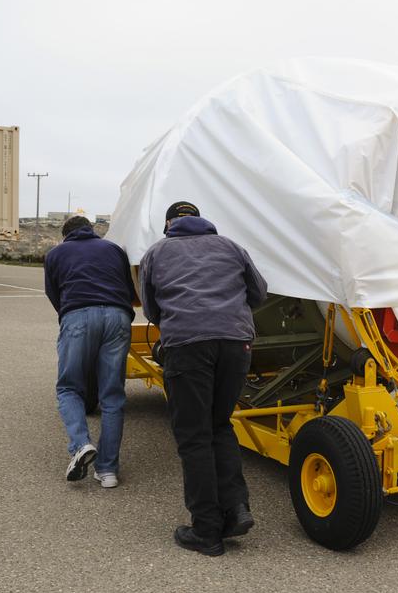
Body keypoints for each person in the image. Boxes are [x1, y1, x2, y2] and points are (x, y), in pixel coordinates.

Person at [139, 201, 268, 557]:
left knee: (194, 436)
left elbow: (151, 310)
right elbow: (258, 293)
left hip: (188, 346)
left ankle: (206, 530)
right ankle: (237, 508)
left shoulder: (157, 253)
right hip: (236, 344)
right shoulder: (231, 247)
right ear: (202, 220)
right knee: (220, 425)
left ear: (169, 224)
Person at [43, 215, 137, 488]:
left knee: (69, 388)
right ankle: (108, 470)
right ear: (91, 231)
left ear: (65, 235)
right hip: (118, 317)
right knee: (112, 395)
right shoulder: (114, 250)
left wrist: (73, 317)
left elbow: (54, 294)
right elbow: (128, 289)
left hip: (78, 315)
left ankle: (81, 444)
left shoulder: (56, 254)